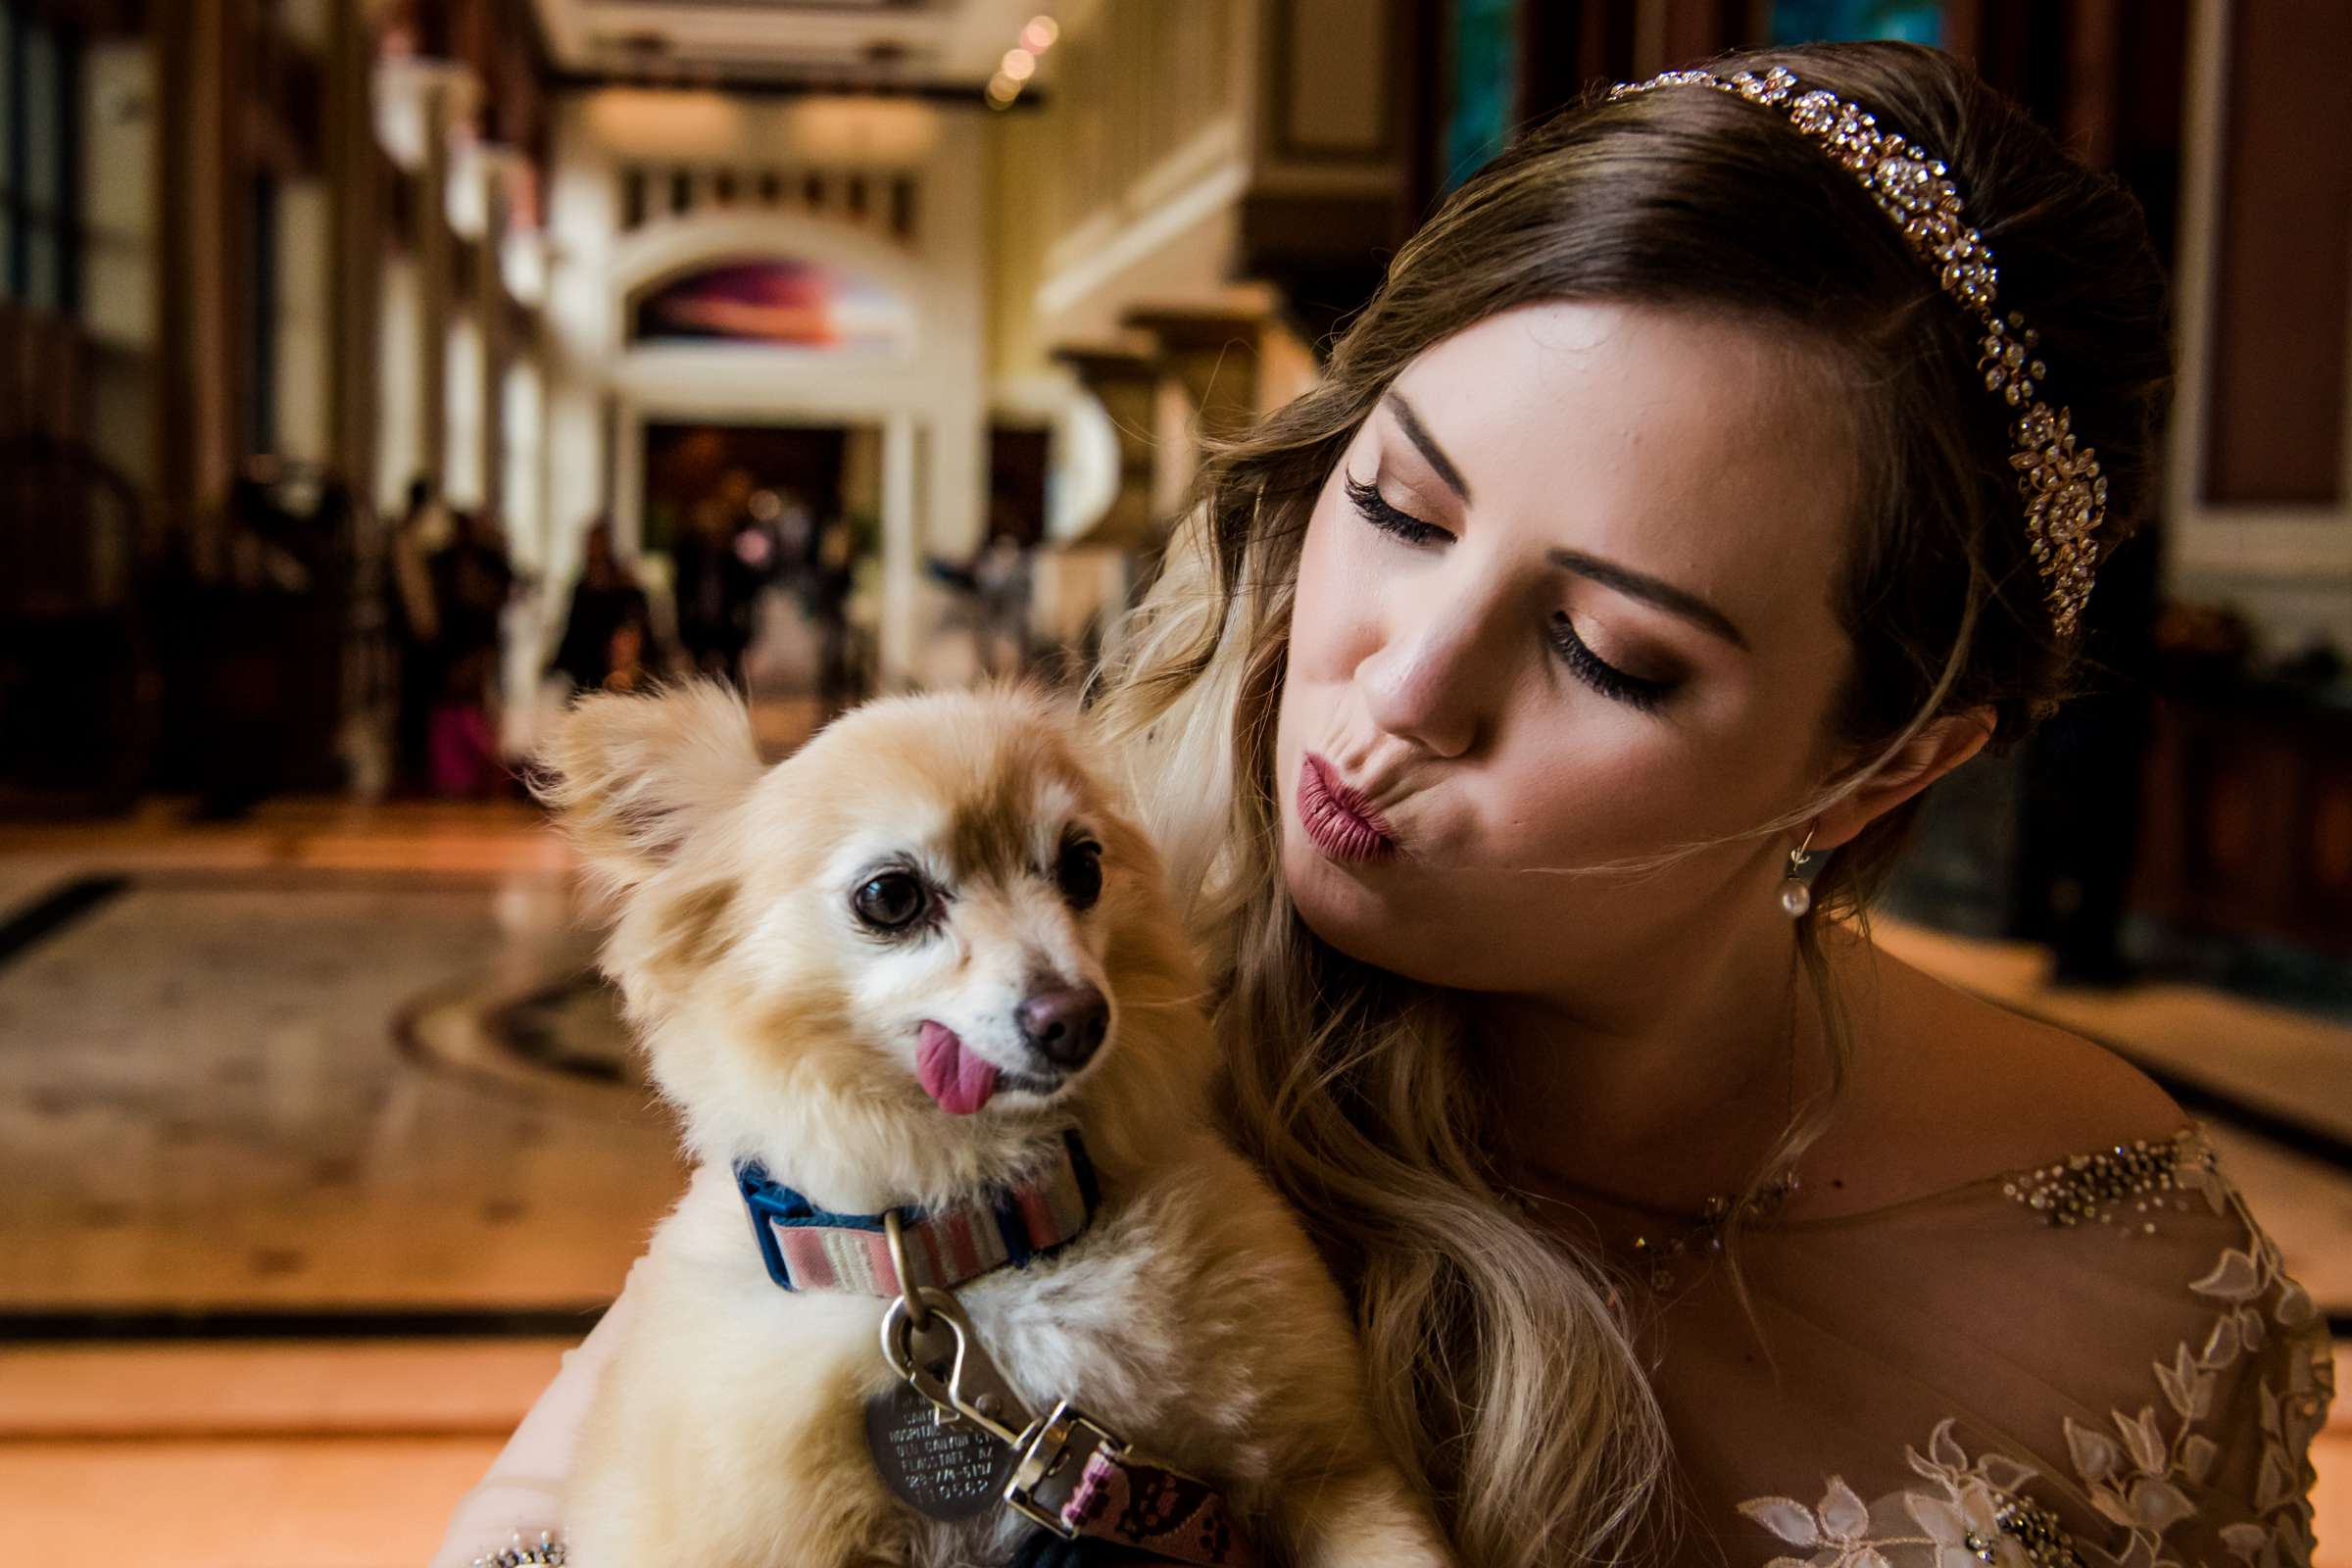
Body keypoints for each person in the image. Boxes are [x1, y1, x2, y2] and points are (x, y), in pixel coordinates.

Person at [432, 43, 2328, 1568]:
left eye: (1608, 651)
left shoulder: (2123, 1264)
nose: (1402, 689)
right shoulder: (1067, 1046)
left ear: (1889, 758)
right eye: (1401, 509)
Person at [547, 520, 655, 699]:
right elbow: (574, 629)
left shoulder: (623, 585)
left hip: (610, 664)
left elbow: (636, 625)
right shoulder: (583, 586)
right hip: (587, 665)